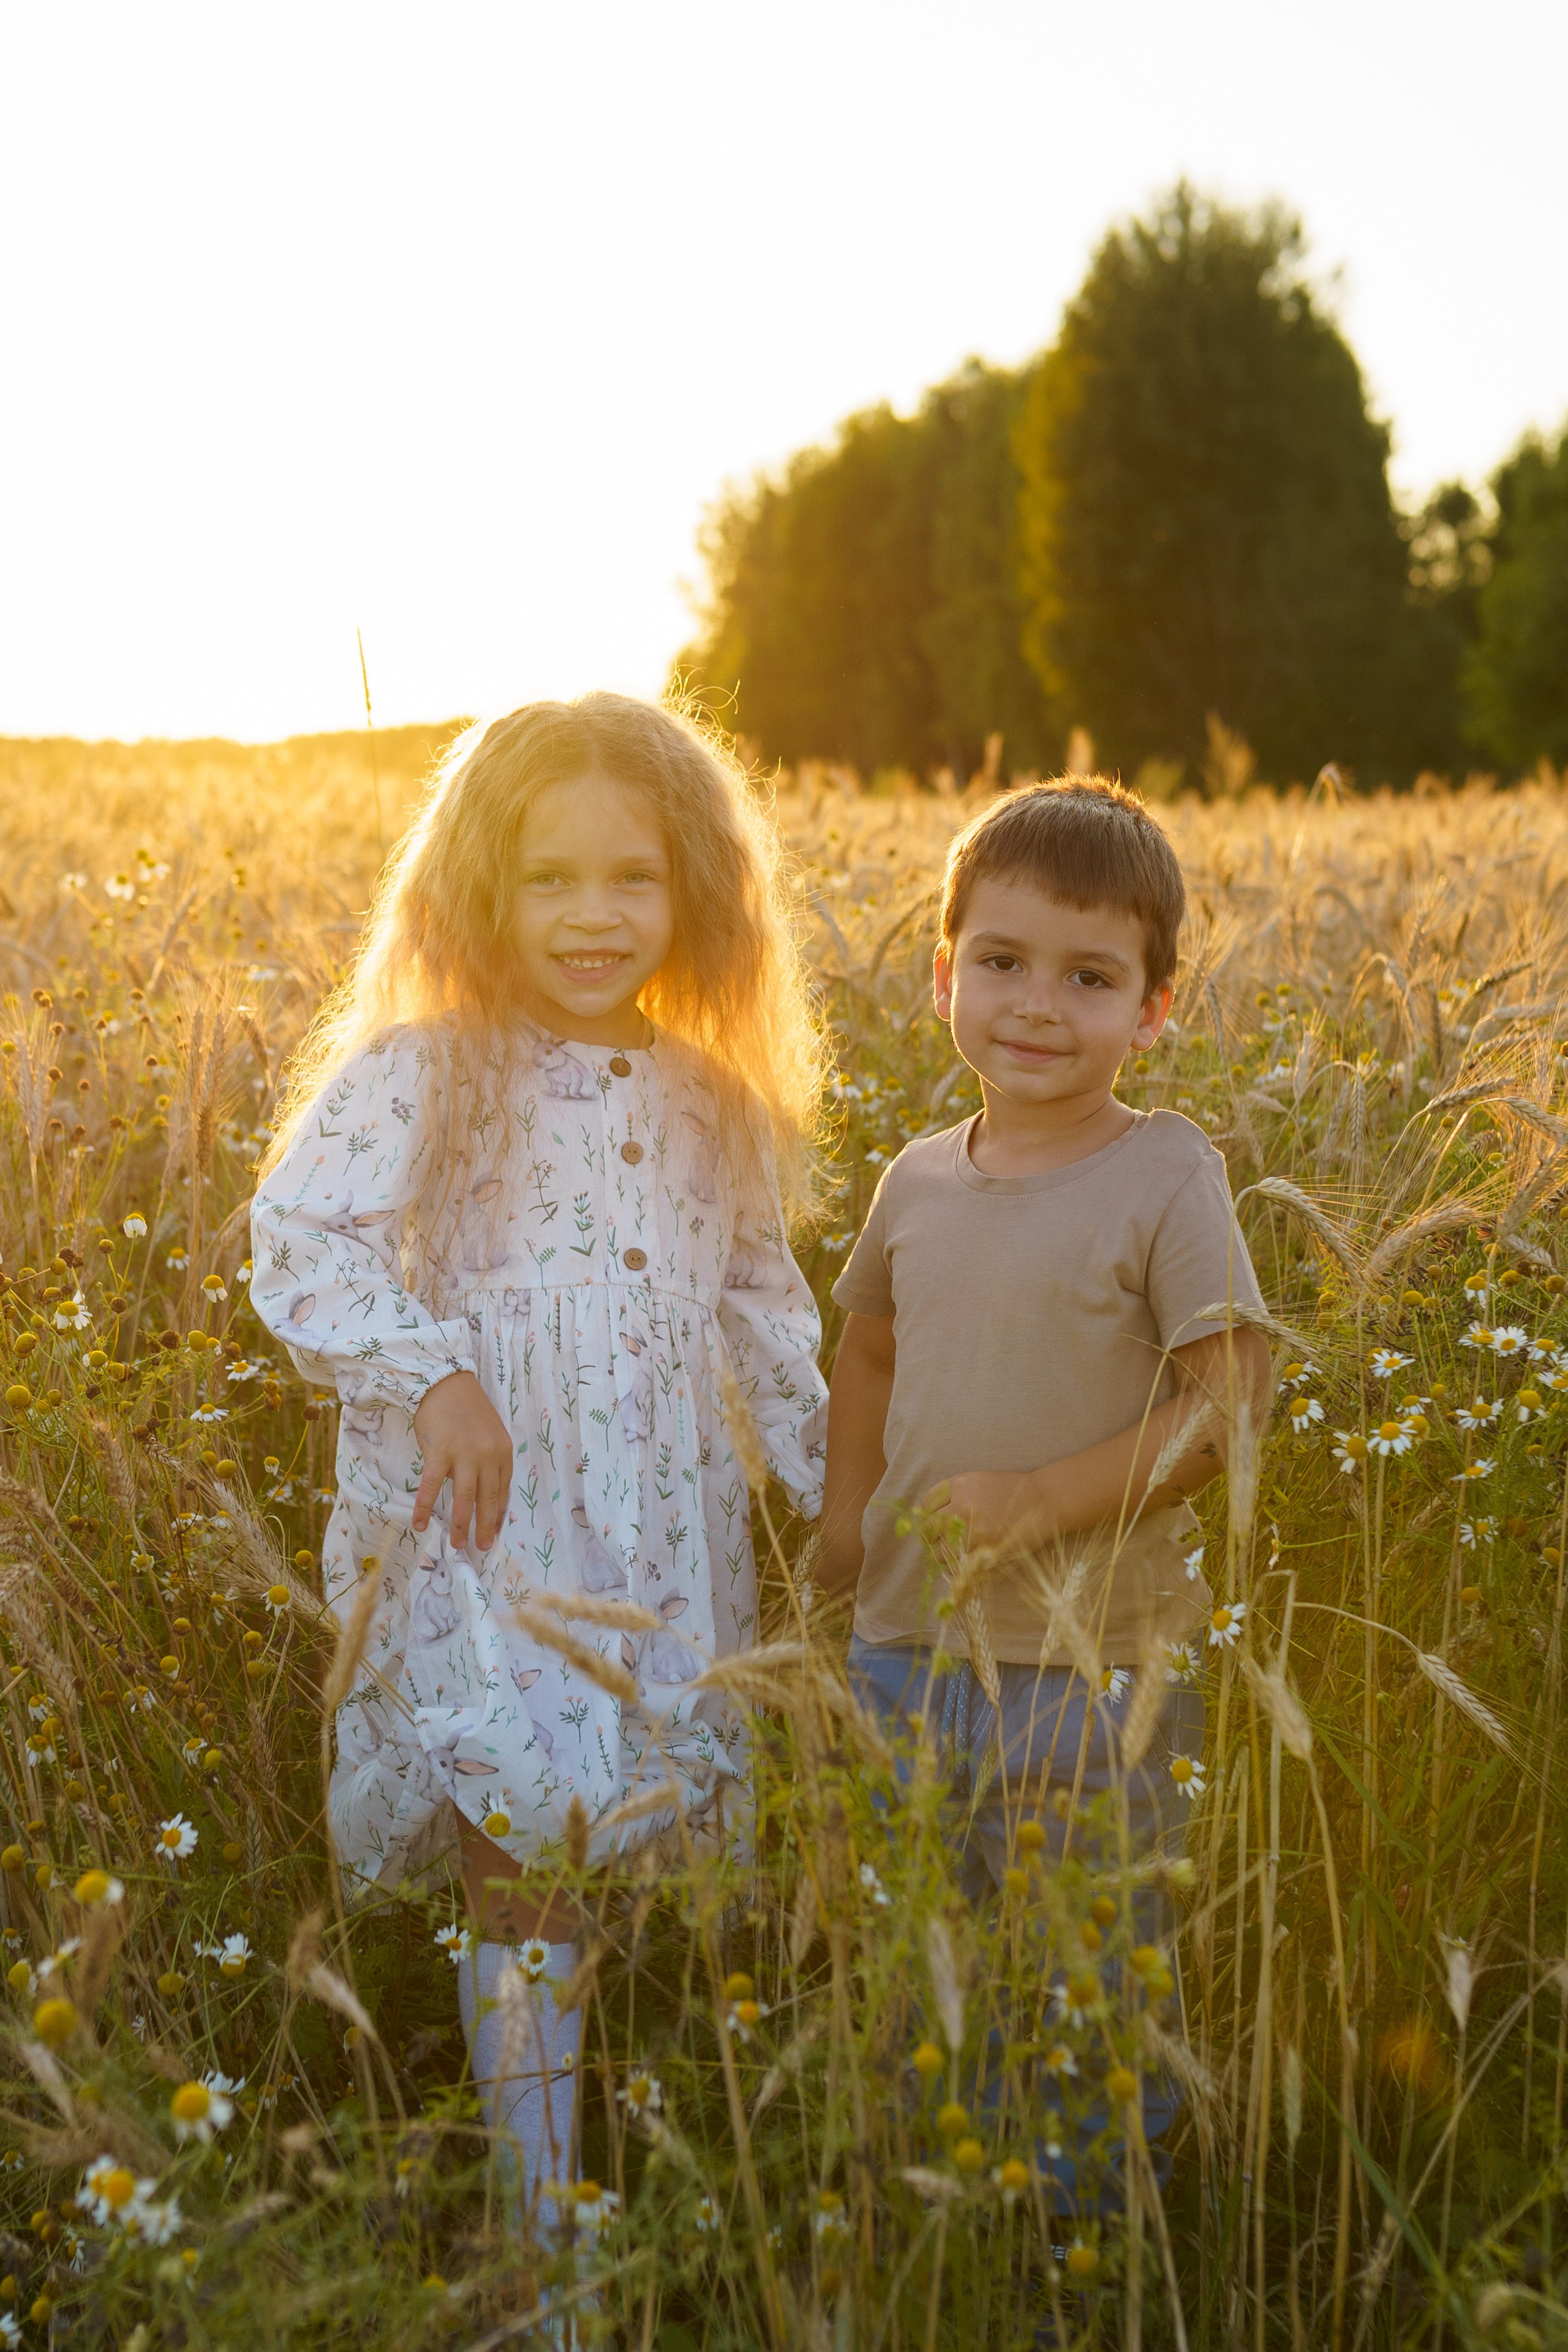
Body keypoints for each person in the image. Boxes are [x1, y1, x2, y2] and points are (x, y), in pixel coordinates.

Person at [251, 693, 827, 2225]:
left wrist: (838, 1496)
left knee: (610, 1868)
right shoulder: (423, 1071)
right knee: (523, 1861)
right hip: (485, 1533)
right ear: (478, 890)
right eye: (548, 879)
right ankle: (538, 2250)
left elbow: (765, 1311)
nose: (592, 915)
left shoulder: (717, 1105)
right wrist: (431, 1370)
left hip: (649, 1546)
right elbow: (295, 1241)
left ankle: (598, 2192)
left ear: (693, 890)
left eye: (632, 878)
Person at [815, 774, 1270, 2204]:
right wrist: (843, 1515)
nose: (1033, 1004)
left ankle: (1082, 2247)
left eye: (1088, 977)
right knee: (921, 1961)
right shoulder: (912, 1181)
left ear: (1151, 1010)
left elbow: (1232, 1405)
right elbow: (868, 1343)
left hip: (1093, 1670)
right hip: (902, 1647)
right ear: (942, 974)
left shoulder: (1164, 1176)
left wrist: (1037, 1501)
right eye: (1000, 963)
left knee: (1081, 1975)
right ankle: (946, 2223)